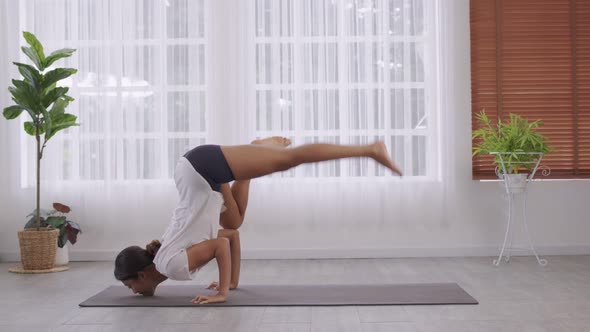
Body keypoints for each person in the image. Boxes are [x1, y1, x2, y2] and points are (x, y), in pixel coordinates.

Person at [114, 137, 403, 304]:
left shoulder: (172, 267)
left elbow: (219, 248)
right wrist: (233, 282)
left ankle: (369, 149)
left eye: (130, 287)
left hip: (200, 171)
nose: (134, 292)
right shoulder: (167, 260)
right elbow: (229, 238)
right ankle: (254, 152)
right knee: (235, 220)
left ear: (141, 275)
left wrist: (223, 293)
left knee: (289, 159)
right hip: (198, 177)